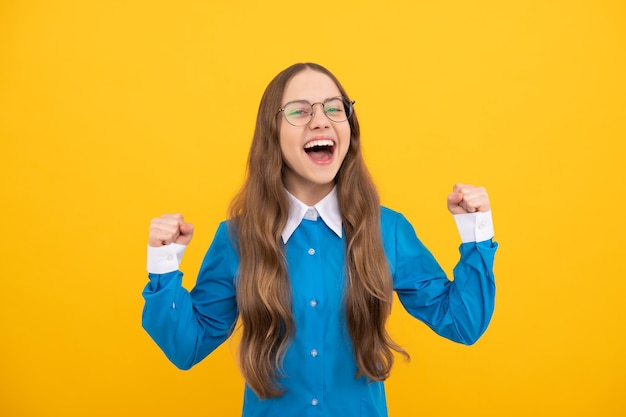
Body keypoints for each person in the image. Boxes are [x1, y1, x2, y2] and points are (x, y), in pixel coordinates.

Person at [142, 62, 497, 417]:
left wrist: (475, 230)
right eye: (299, 111)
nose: (321, 120)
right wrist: (163, 263)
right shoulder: (238, 238)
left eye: (334, 108)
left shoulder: (385, 230)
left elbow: (462, 322)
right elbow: (186, 347)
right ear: (273, 132)